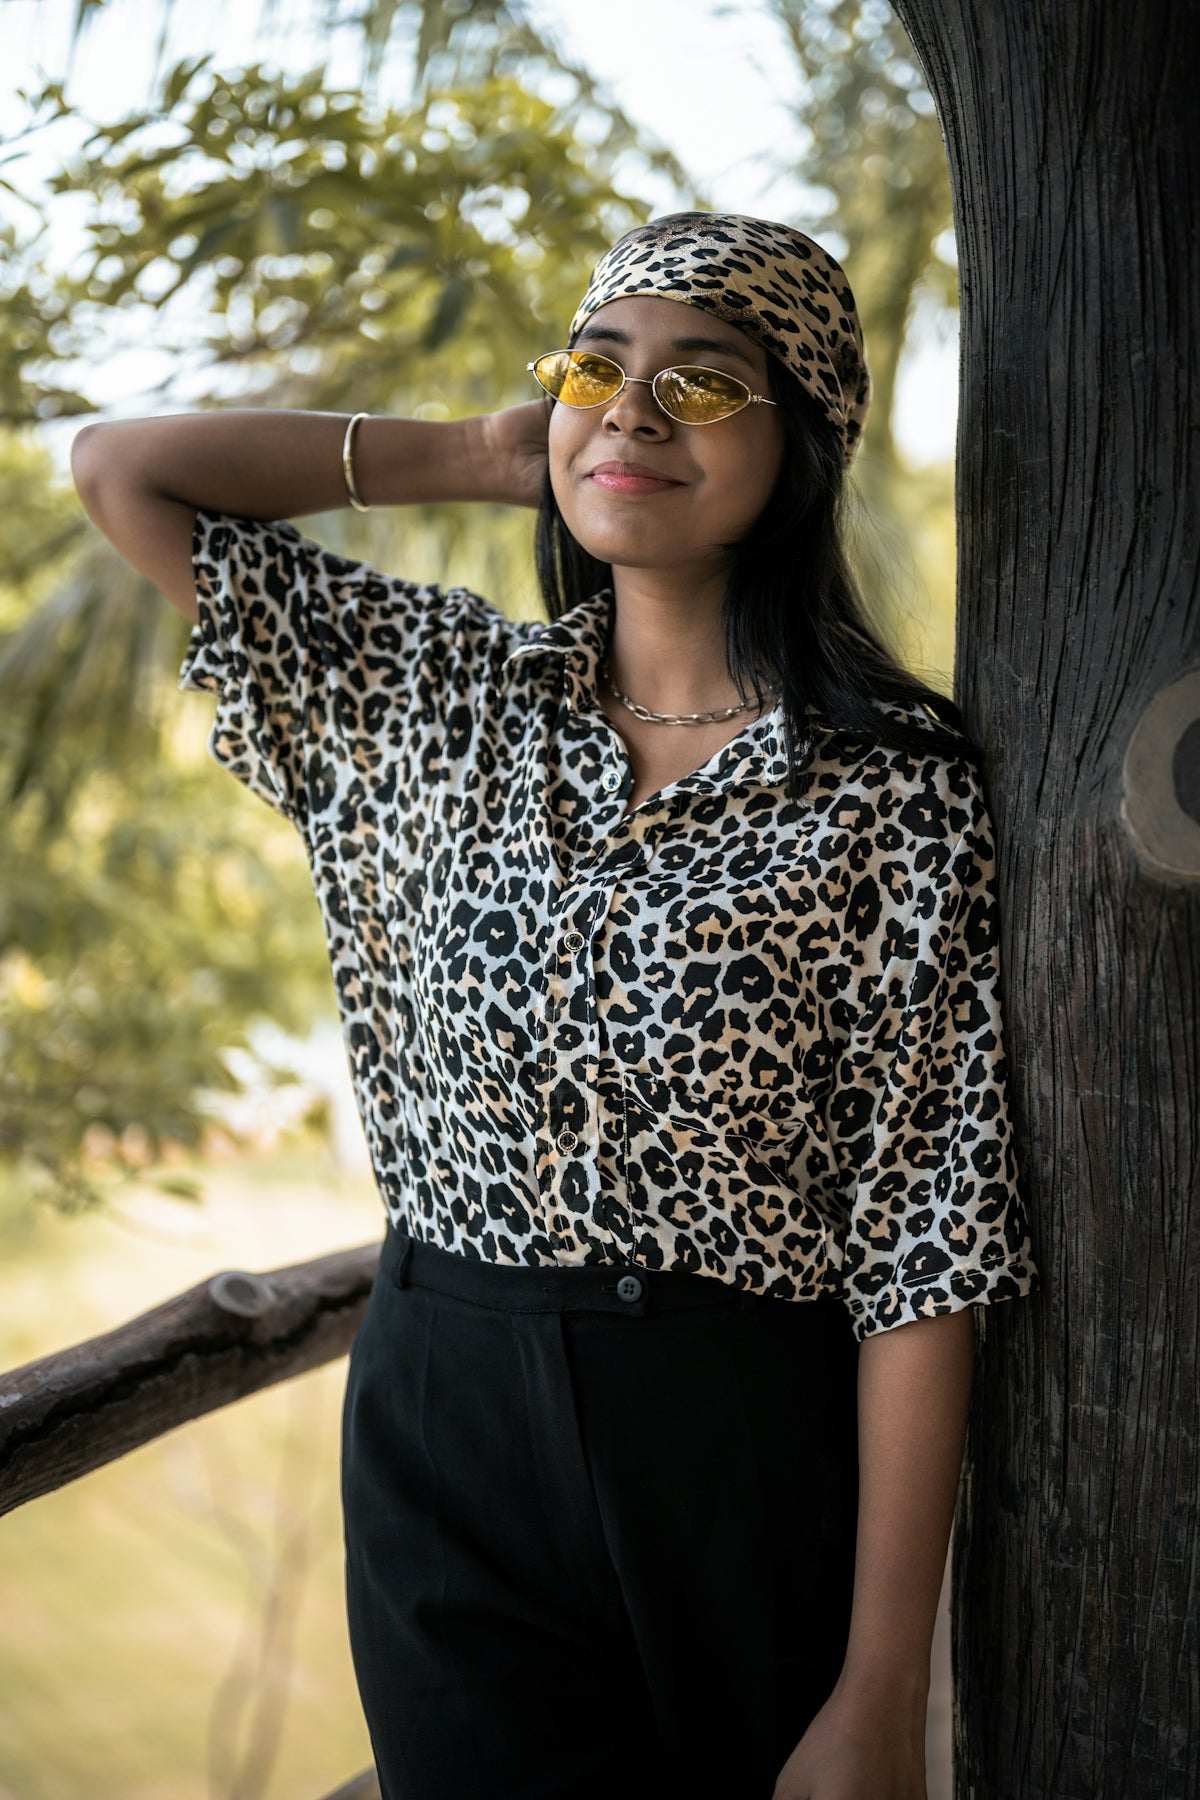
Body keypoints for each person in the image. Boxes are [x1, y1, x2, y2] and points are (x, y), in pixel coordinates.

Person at [71, 209, 1039, 1800]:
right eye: (603, 366)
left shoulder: (894, 798)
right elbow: (122, 470)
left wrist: (880, 1691)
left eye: (708, 384)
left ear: (802, 445)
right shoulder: (432, 697)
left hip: (743, 1444)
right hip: (448, 1416)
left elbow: (924, 1244)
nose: (640, 409)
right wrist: (482, 449)